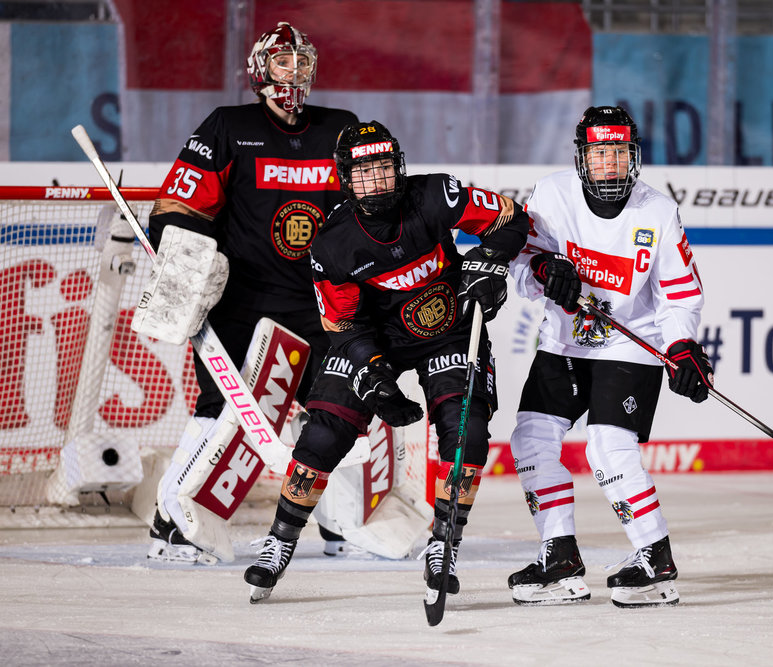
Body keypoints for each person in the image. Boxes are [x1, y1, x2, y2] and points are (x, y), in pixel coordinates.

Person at [242, 119, 530, 603]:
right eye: (363, 172)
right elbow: (342, 323)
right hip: (376, 337)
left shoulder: (439, 195)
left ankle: (444, 544)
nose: (376, 181)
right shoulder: (331, 243)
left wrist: (490, 264)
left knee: (468, 432)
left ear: (399, 167)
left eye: (383, 168)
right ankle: (281, 541)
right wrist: (373, 372)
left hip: (450, 327)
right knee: (324, 433)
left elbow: (511, 218)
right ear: (345, 179)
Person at [141, 21, 359, 563]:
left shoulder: (341, 128)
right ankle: (171, 522)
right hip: (243, 299)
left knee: (336, 409)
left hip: (319, 300)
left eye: (301, 61)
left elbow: (369, 208)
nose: (294, 72)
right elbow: (178, 205)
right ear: (260, 69)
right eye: (283, 62)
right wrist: (181, 254)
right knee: (220, 408)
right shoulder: (228, 126)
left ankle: (337, 523)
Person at [505, 106, 713, 608]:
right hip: (563, 341)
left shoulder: (657, 211)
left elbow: (680, 294)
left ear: (633, 158)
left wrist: (681, 346)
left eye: (619, 153)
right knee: (531, 439)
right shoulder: (552, 194)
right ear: (582, 158)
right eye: (599, 154)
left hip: (630, 343)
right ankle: (560, 556)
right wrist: (543, 271)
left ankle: (655, 559)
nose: (610, 164)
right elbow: (522, 267)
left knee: (606, 446)